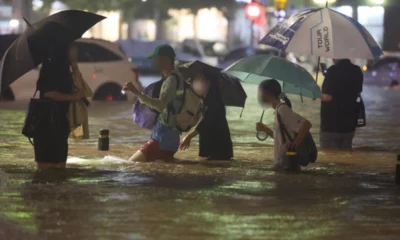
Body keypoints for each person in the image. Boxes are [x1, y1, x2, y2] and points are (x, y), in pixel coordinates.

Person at [123, 44, 183, 162]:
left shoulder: (171, 80)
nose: (153, 61)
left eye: (156, 58)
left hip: (162, 138)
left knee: (129, 165)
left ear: (165, 60)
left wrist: (136, 92)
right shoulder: (175, 78)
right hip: (168, 137)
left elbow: (161, 105)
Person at [33, 44, 84, 169]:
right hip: (46, 124)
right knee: (47, 170)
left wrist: (74, 65)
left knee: (60, 169)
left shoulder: (66, 69)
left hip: (60, 124)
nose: (75, 51)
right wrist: (73, 97)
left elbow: (83, 91)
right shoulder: (51, 67)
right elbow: (48, 93)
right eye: (72, 48)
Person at [255, 79, 312, 170]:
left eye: (261, 92)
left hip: (288, 162)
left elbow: (306, 125)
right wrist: (265, 129)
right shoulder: (278, 111)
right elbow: (281, 138)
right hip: (283, 163)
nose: (259, 96)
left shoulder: (282, 109)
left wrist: (294, 144)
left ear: (268, 93)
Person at [179, 72, 233, 160]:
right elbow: (201, 119)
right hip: (215, 149)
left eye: (199, 79)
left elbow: (205, 122)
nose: (195, 82)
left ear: (208, 82)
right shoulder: (206, 99)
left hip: (218, 151)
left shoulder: (214, 101)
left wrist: (188, 136)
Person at [320, 59, 363, 150]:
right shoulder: (357, 71)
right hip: (349, 124)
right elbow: (357, 91)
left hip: (331, 125)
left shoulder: (332, 71)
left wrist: (317, 94)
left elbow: (327, 97)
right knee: (345, 158)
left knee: (330, 161)